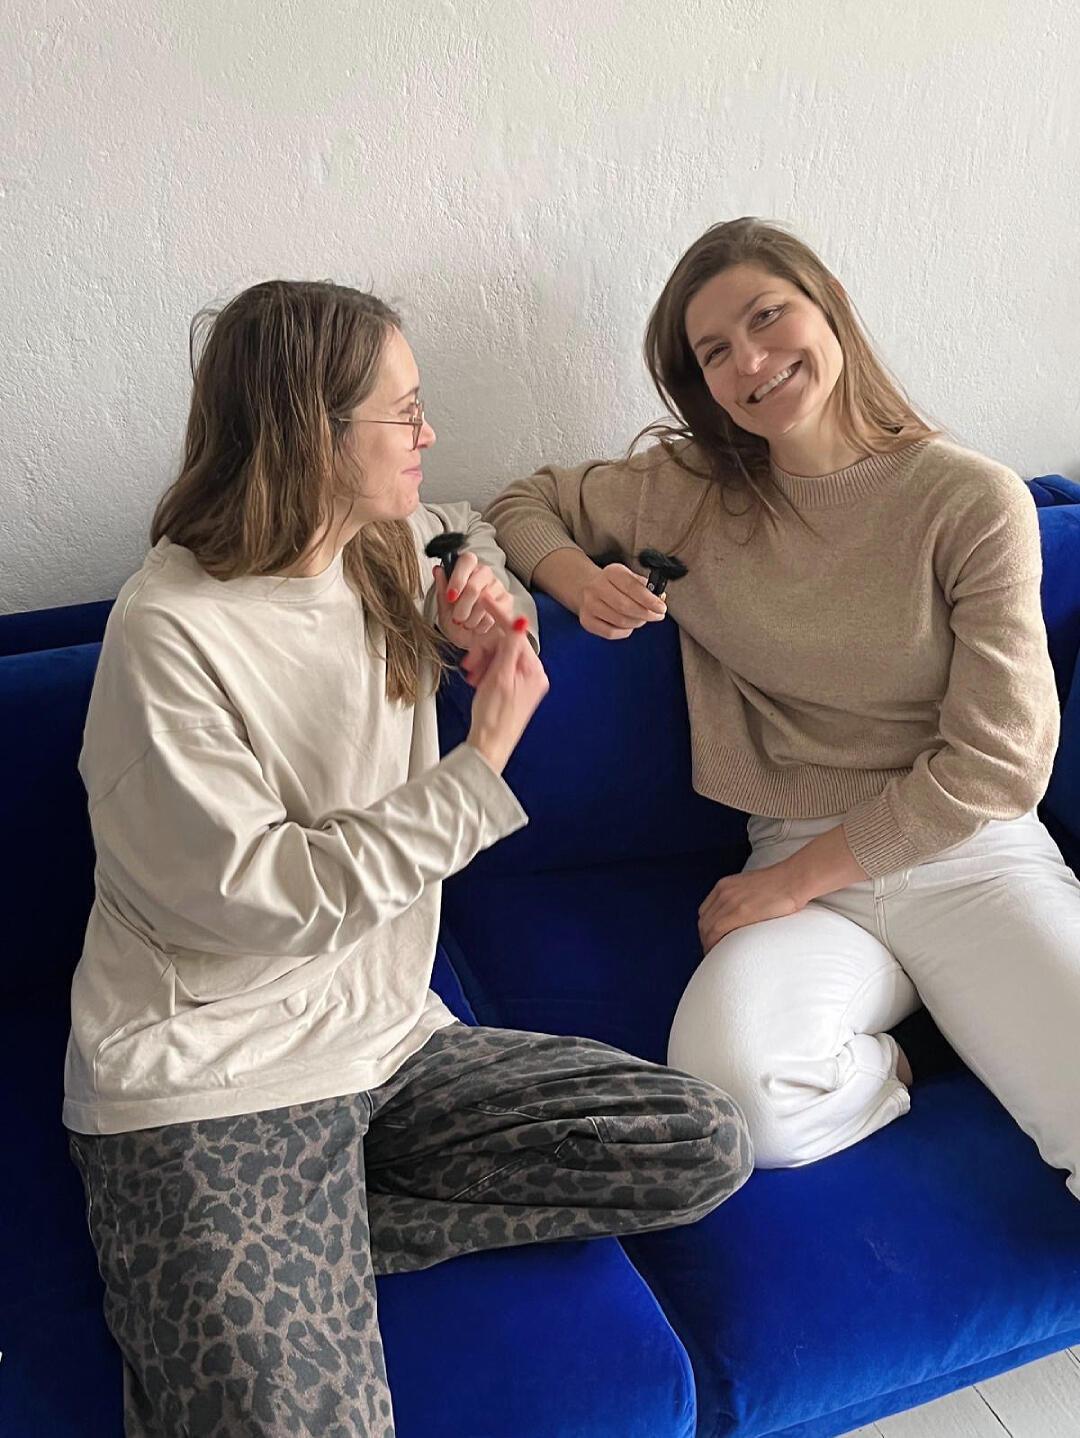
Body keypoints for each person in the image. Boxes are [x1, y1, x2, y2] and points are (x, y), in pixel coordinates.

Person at [64, 280, 752, 1438]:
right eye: (407, 413)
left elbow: (462, 525)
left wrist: (475, 595)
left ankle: (296, 1243)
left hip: (387, 1039)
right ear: (311, 436)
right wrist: (478, 766)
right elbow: (266, 900)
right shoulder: (167, 634)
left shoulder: (377, 539)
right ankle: (204, 1246)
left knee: (701, 1145)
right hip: (215, 1071)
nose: (429, 435)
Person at [486, 217, 1080, 1199]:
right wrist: (575, 579)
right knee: (736, 1107)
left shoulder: (969, 500)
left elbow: (998, 764)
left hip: (969, 855)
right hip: (803, 861)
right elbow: (527, 500)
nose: (751, 361)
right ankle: (900, 1061)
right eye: (714, 352)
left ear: (828, 305)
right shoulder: (688, 493)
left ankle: (972, 1010)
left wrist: (793, 881)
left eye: (768, 317)